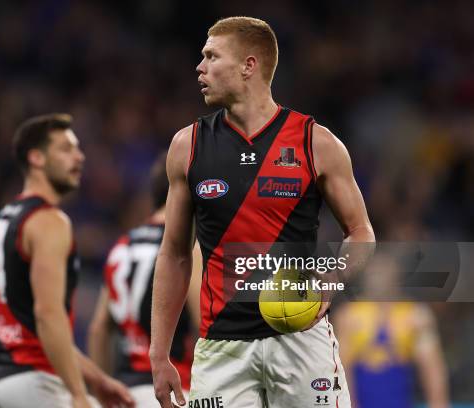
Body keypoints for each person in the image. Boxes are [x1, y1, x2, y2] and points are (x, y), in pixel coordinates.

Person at [149, 17, 375, 408]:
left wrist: (330, 281)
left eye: (211, 56)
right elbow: (174, 253)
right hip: (222, 347)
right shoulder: (187, 147)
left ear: (248, 66)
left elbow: (362, 234)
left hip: (301, 340)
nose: (199, 68)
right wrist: (159, 352)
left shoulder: (315, 142)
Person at [0, 114, 134, 408]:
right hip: (37, 384)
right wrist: (77, 392)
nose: (80, 156)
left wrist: (97, 379)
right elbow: (48, 316)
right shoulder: (49, 222)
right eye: (66, 149)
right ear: (36, 158)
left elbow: (34, 329)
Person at [88, 152, 201, 407]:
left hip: (126, 390)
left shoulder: (122, 245)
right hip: (175, 389)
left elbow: (99, 328)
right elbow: (204, 323)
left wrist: (103, 392)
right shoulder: (186, 248)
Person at [333, 254, 449, 408]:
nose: (378, 278)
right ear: (364, 276)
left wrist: (439, 403)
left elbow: (433, 372)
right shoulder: (348, 317)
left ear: (397, 276)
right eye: (375, 272)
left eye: (383, 271)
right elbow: (340, 372)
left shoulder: (415, 316)